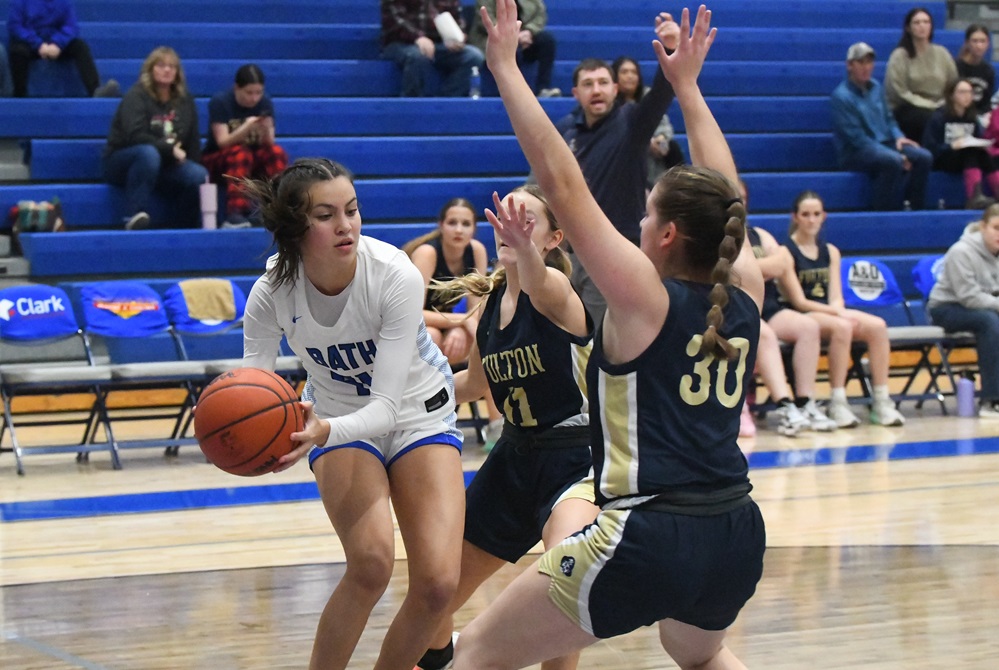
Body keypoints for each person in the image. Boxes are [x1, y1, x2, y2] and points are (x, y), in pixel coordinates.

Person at [455, 4, 766, 668]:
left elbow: (564, 187)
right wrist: (686, 89)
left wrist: (506, 67)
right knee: (703, 656)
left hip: (646, 532)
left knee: (476, 650)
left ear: (667, 235)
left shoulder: (642, 299)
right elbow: (730, 198)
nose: (638, 222)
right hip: (735, 529)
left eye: (646, 212)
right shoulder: (744, 292)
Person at [240, 157, 466, 670]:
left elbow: (386, 409)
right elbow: (253, 395)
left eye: (352, 210)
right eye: (326, 215)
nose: (346, 225)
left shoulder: (394, 275)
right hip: (337, 411)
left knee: (437, 586)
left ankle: (431, 649)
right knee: (369, 564)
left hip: (416, 412)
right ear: (296, 228)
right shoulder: (269, 294)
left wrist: (319, 431)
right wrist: (252, 440)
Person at [416, 185, 598, 670]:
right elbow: (474, 384)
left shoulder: (556, 290)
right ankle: (439, 660)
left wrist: (524, 254)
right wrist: (386, 404)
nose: (510, 228)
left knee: (565, 584)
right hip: (514, 458)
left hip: (575, 459)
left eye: (526, 221)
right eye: (504, 219)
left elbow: (537, 281)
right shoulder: (492, 304)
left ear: (555, 237)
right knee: (437, 588)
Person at [553, 16, 679, 325]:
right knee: (569, 336)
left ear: (615, 88)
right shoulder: (566, 129)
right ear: (575, 93)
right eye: (587, 84)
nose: (596, 90)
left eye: (602, 83)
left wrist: (671, 47)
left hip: (616, 250)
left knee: (601, 334)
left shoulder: (632, 121)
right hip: (570, 253)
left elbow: (663, 93)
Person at [780, 190, 906, 428]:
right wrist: (838, 313)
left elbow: (836, 295)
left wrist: (837, 309)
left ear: (824, 216)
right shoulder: (786, 252)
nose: (811, 220)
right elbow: (799, 301)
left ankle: (881, 400)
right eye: (805, 214)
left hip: (828, 311)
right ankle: (838, 401)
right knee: (842, 326)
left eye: (816, 214)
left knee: (878, 326)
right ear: (795, 217)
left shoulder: (831, 251)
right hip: (801, 314)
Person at [747, 224, 838, 436]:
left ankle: (805, 402)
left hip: (769, 307)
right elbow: (735, 270)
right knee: (765, 335)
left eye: (741, 198)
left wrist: (758, 268)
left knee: (808, 327)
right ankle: (784, 407)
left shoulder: (760, 233)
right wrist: (767, 266)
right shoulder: (720, 231)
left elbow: (784, 263)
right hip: (740, 307)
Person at [103, 46, 207, 230]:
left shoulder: (185, 101)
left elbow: (192, 141)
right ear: (150, 70)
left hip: (165, 164)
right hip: (125, 161)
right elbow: (133, 135)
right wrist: (168, 149)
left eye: (172, 66)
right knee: (148, 154)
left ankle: (185, 226)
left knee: (197, 174)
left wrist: (191, 162)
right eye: (161, 65)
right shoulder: (136, 96)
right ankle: (135, 214)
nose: (167, 70)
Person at [830, 41, 932, 211]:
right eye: (860, 62)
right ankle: (882, 212)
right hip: (855, 152)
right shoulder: (841, 97)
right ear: (849, 66)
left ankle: (914, 207)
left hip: (885, 144)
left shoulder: (877, 87)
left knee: (924, 157)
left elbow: (889, 119)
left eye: (869, 62)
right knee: (892, 161)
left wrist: (899, 137)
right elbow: (857, 138)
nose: (866, 67)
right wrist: (892, 153)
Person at [928, 206, 999, 418]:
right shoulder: (961, 251)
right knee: (989, 322)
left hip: (989, 306)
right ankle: (991, 399)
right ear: (983, 227)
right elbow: (969, 297)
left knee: (990, 318)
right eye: (996, 228)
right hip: (947, 308)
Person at [402, 197, 489, 367]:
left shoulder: (476, 251)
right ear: (441, 225)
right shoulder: (427, 253)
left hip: (444, 322)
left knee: (469, 336)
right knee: (431, 336)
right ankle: (424, 390)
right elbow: (412, 314)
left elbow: (476, 310)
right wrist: (461, 320)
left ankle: (478, 391)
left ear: (474, 229)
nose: (458, 230)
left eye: (465, 224)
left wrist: (460, 327)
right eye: (452, 223)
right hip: (406, 324)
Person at [201, 63, 288, 228]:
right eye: (249, 93)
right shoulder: (221, 102)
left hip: (252, 157)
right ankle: (235, 213)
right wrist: (246, 128)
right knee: (241, 154)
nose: (254, 98)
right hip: (219, 159)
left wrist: (267, 129)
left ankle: (278, 208)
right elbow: (222, 142)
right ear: (237, 88)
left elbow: (269, 143)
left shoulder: (265, 103)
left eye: (258, 93)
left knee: (276, 153)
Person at [7, 0, 118, 98]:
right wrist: (38, 44)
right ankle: (19, 94)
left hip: (55, 44)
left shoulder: (64, 2)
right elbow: (15, 26)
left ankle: (95, 90)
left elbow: (71, 26)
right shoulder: (21, 2)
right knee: (17, 50)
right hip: (30, 43)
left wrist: (58, 43)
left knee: (80, 46)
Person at [612, 55, 687, 190]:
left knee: (671, 147)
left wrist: (661, 138)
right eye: (624, 72)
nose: (630, 76)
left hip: (656, 151)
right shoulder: (610, 103)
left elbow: (663, 125)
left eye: (634, 72)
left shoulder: (648, 96)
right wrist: (647, 142)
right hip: (624, 157)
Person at [380, 0, 485, 97]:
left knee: (473, 57)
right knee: (418, 56)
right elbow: (394, 20)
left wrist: (455, 37)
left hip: (439, 44)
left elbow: (456, 18)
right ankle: (411, 107)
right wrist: (417, 37)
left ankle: (445, 104)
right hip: (401, 42)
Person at [921, 78, 998, 210]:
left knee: (982, 154)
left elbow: (977, 139)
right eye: (962, 92)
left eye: (970, 92)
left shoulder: (971, 117)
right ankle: (974, 197)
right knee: (970, 153)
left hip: (965, 157)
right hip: (943, 158)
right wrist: (951, 146)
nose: (967, 96)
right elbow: (930, 147)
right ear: (952, 95)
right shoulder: (939, 117)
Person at [884, 7, 958, 143]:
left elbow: (953, 84)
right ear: (908, 28)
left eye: (926, 22)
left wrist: (944, 103)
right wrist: (928, 105)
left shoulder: (942, 53)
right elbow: (898, 92)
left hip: (939, 105)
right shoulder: (900, 55)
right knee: (930, 119)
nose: (922, 26)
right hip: (908, 108)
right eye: (917, 23)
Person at [468, 0, 560, 97]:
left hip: (524, 37)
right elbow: (486, 20)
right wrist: (513, 35)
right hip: (494, 38)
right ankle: (512, 93)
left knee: (547, 40)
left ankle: (542, 89)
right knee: (510, 49)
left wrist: (529, 31)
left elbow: (540, 15)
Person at [955, 24, 995, 121]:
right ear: (967, 43)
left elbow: (986, 103)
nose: (979, 45)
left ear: (988, 44)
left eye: (982, 41)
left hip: (980, 116)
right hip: (958, 115)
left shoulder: (989, 70)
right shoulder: (956, 67)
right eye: (975, 41)